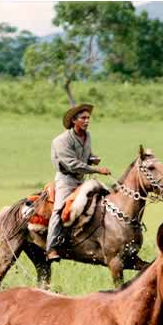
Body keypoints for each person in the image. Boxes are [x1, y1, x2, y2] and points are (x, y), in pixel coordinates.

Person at [44, 103, 111, 261]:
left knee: (105, 198)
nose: (87, 121)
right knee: (59, 209)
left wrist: (92, 158)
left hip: (81, 179)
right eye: (83, 118)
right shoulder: (61, 140)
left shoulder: (88, 136)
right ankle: (51, 248)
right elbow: (71, 164)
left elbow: (84, 155)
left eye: (88, 118)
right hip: (66, 180)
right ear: (74, 120)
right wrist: (96, 170)